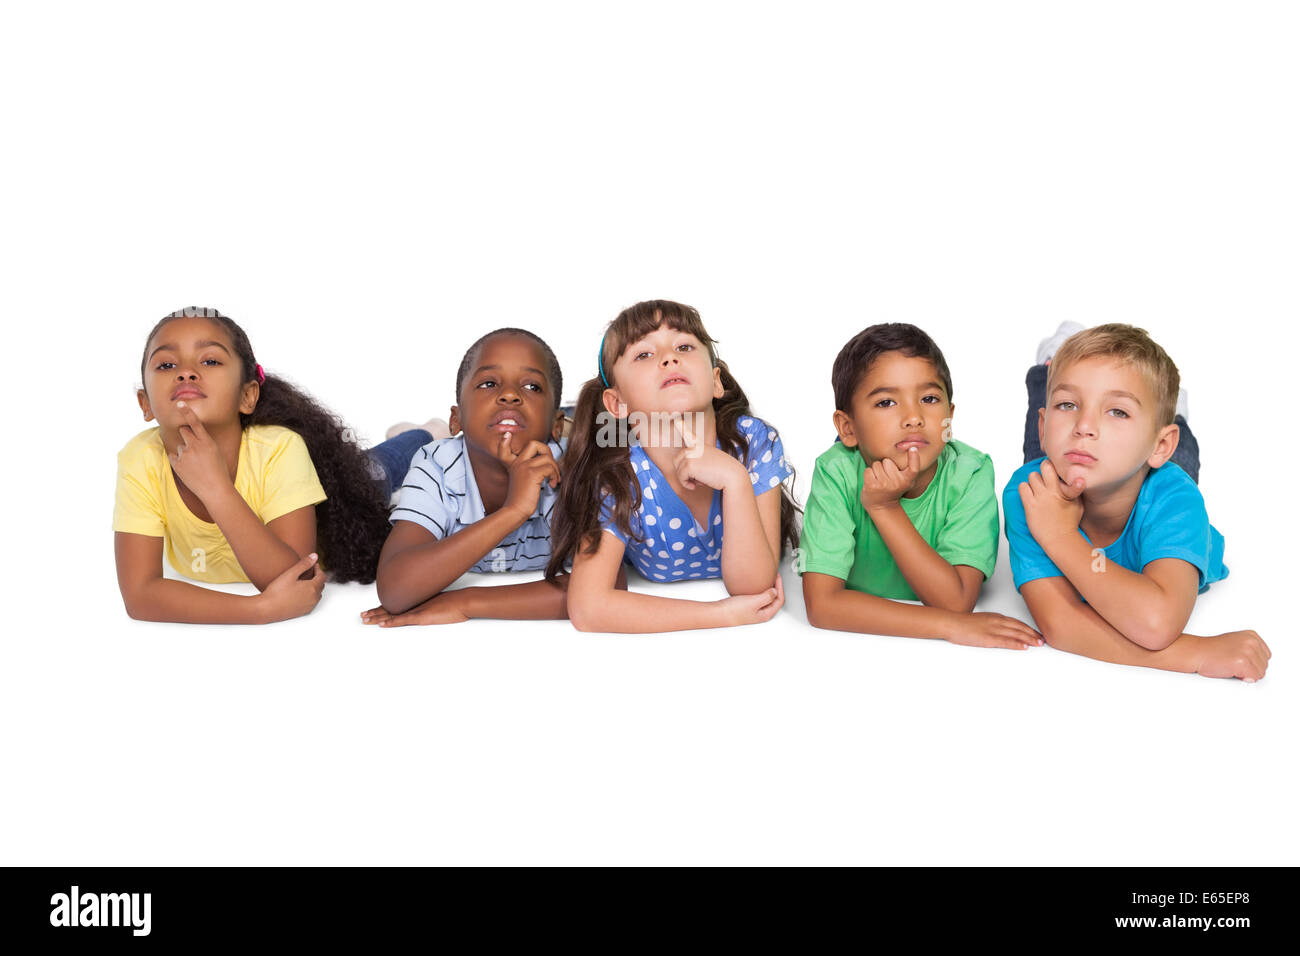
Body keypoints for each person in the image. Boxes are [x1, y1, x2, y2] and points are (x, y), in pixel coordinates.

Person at [1003, 323, 1270, 679]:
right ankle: (1050, 371)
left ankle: (1173, 417)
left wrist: (1059, 537)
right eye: (1068, 403)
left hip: (1153, 475)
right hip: (1078, 461)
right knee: (1045, 451)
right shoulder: (1029, 492)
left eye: (1118, 411)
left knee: (1180, 457)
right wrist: (1197, 654)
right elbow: (1062, 626)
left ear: (1161, 445)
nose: (1085, 425)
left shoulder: (1174, 498)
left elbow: (1156, 622)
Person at [114, 307, 394, 623]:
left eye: (210, 361)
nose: (186, 372)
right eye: (166, 364)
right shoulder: (140, 457)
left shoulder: (280, 448)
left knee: (376, 471)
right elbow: (139, 596)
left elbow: (297, 579)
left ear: (247, 396)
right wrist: (260, 609)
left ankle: (420, 434)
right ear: (145, 404)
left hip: (340, 493)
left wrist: (214, 488)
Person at [547, 299, 798, 633]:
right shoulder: (616, 474)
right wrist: (721, 614)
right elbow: (588, 607)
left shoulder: (754, 444)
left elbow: (754, 589)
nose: (669, 357)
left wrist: (734, 480)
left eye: (684, 346)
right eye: (644, 354)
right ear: (618, 403)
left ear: (715, 381)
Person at [800, 323, 1041, 649]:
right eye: (886, 402)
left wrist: (886, 509)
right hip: (858, 451)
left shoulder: (971, 472)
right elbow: (822, 606)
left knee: (1043, 457)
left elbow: (956, 601)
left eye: (929, 398)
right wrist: (948, 627)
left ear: (949, 418)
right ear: (847, 427)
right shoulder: (835, 471)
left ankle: (1046, 369)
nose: (913, 417)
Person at [362, 328, 584, 626]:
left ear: (555, 425)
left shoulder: (572, 470)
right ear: (458, 419)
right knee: (382, 468)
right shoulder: (436, 465)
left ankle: (570, 415)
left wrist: (464, 602)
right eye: (489, 383)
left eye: (532, 386)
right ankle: (425, 432)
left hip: (571, 429)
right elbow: (395, 590)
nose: (509, 394)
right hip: (444, 444)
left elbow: (603, 583)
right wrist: (513, 511)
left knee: (607, 427)